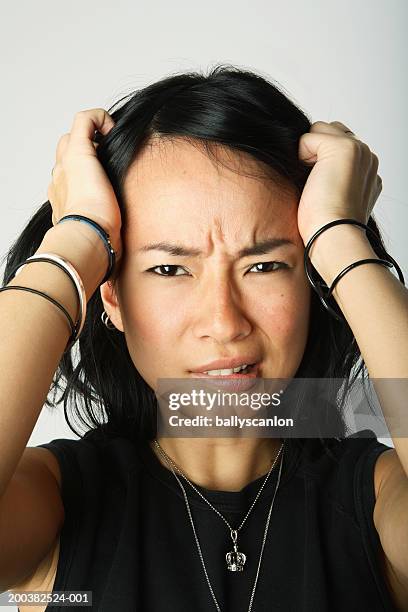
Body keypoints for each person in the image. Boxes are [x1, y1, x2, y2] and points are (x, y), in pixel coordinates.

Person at [0, 65, 407, 612]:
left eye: (264, 266)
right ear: (111, 296)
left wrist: (340, 237)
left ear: (314, 281)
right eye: (169, 269)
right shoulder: (54, 503)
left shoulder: (379, 498)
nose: (224, 322)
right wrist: (77, 237)